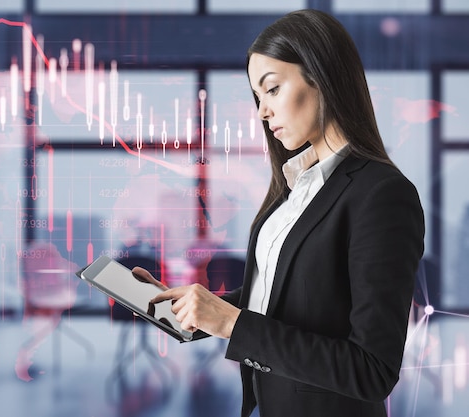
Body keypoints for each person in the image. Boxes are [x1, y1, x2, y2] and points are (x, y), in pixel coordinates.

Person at [132, 9, 425, 417]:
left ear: (321, 76)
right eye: (257, 97)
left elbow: (372, 371)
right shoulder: (294, 186)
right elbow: (286, 296)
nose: (262, 112)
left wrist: (232, 324)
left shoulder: (382, 194)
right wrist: (198, 309)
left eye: (271, 90)